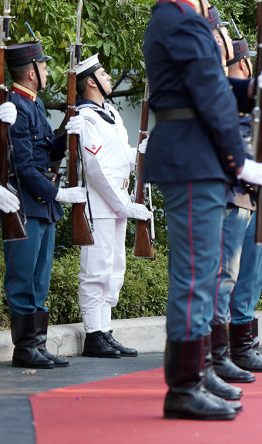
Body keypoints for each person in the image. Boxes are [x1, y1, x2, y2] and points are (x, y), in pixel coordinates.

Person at [142, 0, 262, 421]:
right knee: (194, 277)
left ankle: (199, 369)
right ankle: (183, 385)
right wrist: (244, 162)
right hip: (191, 160)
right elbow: (209, 99)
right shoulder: (180, 20)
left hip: (194, 158)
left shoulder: (183, 19)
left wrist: (255, 90)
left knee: (204, 275)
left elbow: (216, 89)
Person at [3, 40, 86, 370]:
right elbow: (23, 167)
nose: (48, 71)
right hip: (24, 206)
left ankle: (36, 344)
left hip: (43, 207)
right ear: (32, 72)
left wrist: (66, 132)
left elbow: (45, 154)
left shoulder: (33, 105)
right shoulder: (15, 106)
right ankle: (24, 348)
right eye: (45, 66)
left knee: (40, 279)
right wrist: (58, 195)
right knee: (22, 278)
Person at [74, 55, 151, 359]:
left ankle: (105, 330)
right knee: (96, 270)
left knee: (114, 269)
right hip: (100, 204)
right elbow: (95, 167)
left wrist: (141, 154)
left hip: (119, 203)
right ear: (90, 81)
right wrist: (124, 206)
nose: (108, 77)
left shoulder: (112, 114)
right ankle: (93, 334)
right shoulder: (86, 117)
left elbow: (118, 158)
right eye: (104, 74)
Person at [219, 37, 262, 376]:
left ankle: (243, 346)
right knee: (226, 276)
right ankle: (222, 352)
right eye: (244, 63)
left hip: (252, 196)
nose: (246, 69)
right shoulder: (226, 98)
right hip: (233, 193)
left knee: (251, 275)